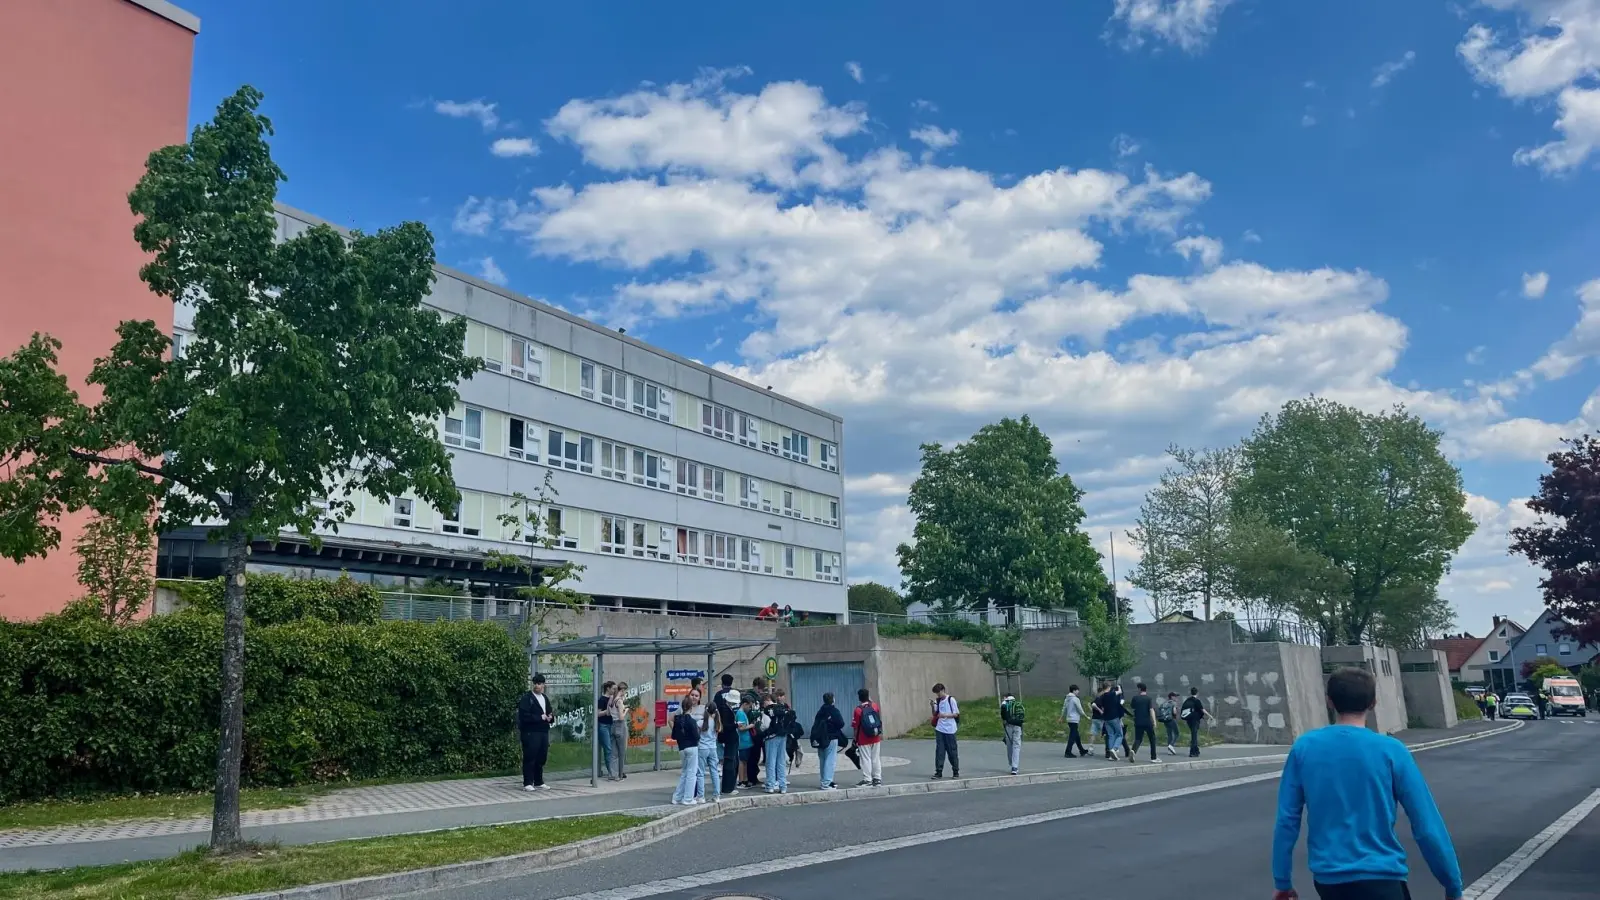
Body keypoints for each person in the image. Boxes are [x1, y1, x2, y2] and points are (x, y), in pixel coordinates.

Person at [1271, 667, 1464, 900]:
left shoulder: (1304, 748)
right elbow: (1426, 824)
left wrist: (1283, 881)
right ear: (1373, 703)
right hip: (1383, 879)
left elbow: (1287, 820)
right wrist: (1452, 884)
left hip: (1330, 882)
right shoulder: (1392, 751)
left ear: (1329, 702)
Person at [517, 674, 554, 791]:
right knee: (530, 756)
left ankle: (538, 781)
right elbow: (524, 716)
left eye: (539, 684)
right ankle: (528, 782)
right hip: (531, 732)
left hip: (543, 731)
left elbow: (549, 712)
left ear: (543, 685)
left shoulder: (544, 698)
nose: (537, 686)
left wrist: (550, 717)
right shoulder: (527, 698)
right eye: (535, 684)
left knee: (541, 756)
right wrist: (540, 717)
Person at [670, 689, 703, 805]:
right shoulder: (691, 721)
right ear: (690, 708)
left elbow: (674, 735)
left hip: (682, 748)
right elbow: (696, 736)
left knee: (684, 772)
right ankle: (688, 798)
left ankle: (677, 797)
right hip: (692, 747)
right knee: (691, 773)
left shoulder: (678, 720)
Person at [812, 691, 847, 789]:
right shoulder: (834, 710)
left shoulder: (820, 711)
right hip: (831, 737)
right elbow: (841, 723)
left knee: (823, 759)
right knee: (830, 760)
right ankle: (827, 782)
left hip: (820, 738)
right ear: (833, 700)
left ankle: (825, 780)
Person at [714, 674, 742, 796]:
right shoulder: (726, 709)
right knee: (730, 761)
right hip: (730, 736)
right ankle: (728, 787)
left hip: (726, 736)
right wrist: (736, 725)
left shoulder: (719, 696)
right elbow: (727, 724)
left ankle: (729, 786)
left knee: (731, 761)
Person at [763, 688, 794, 793]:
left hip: (771, 736)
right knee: (781, 761)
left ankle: (770, 785)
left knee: (771, 761)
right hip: (783, 736)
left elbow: (765, 725)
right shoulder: (783, 708)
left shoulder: (767, 710)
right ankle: (783, 786)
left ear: (767, 700)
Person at [852, 688, 885, 787]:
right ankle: (877, 778)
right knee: (876, 758)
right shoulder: (874, 706)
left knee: (865, 759)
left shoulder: (858, 710)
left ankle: (867, 779)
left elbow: (855, 727)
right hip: (875, 737)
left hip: (864, 738)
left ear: (859, 698)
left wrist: (855, 739)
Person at [694, 688, 721, 802]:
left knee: (700, 773)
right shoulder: (717, 722)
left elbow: (696, 733)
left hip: (702, 748)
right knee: (714, 771)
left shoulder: (701, 722)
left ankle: (701, 796)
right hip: (713, 748)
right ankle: (717, 795)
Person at [930, 683, 961, 779]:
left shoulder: (951, 699)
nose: (938, 695)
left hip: (950, 729)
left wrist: (945, 715)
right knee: (939, 751)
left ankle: (955, 771)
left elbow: (956, 714)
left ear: (943, 690)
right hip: (940, 728)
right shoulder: (938, 701)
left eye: (938, 693)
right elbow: (935, 713)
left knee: (952, 751)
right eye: (936, 693)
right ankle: (938, 772)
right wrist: (932, 706)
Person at [1127, 683, 1158, 763]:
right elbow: (1151, 710)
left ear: (1140, 689)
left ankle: (1133, 751)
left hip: (1138, 721)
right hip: (1147, 722)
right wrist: (1154, 721)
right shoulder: (1148, 699)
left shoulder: (1135, 698)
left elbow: (1132, 708)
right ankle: (1153, 757)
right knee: (1152, 739)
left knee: (1138, 739)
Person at [1095, 682, 1126, 761]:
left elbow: (1102, 708)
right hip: (1114, 717)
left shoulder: (1102, 696)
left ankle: (1111, 755)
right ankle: (1114, 749)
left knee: (1111, 735)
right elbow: (1120, 692)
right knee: (1120, 734)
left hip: (1106, 718)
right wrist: (1119, 686)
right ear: (1108, 687)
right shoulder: (1111, 694)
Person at [1180, 687, 1212, 757]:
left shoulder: (1187, 700)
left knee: (1194, 734)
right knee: (1194, 736)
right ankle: (1192, 752)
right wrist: (1210, 716)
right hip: (1195, 720)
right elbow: (1202, 710)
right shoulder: (1197, 701)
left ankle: (1196, 750)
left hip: (1189, 720)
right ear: (1197, 693)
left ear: (1191, 693)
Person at [596, 681, 617, 778]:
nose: (614, 690)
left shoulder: (613, 699)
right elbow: (597, 714)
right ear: (608, 688)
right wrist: (607, 712)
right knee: (608, 748)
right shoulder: (602, 699)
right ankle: (610, 772)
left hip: (611, 724)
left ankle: (615, 770)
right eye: (613, 688)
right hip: (603, 725)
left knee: (612, 749)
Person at [1000, 692, 1025, 775]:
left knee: (1009, 745)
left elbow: (1003, 716)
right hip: (1017, 726)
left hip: (1008, 726)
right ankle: (1015, 767)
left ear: (1006, 697)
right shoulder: (1018, 704)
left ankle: (1012, 764)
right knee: (1016, 746)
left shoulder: (1005, 703)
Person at [610, 681, 631, 780]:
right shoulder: (619, 701)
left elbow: (611, 712)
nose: (625, 693)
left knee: (614, 753)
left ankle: (613, 774)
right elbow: (622, 717)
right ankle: (620, 775)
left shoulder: (612, 699)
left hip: (613, 725)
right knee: (622, 752)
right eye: (624, 691)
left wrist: (623, 707)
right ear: (622, 690)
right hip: (620, 726)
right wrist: (626, 710)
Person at [1062, 685, 1088, 758]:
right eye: (1077, 690)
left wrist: (1061, 717)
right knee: (1072, 736)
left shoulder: (1067, 698)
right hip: (1074, 719)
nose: (1078, 692)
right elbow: (1080, 709)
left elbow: (1064, 708)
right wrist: (1086, 716)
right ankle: (1068, 752)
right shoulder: (1075, 699)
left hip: (1069, 719)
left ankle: (1081, 750)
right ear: (1074, 690)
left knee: (1076, 735)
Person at [1159, 691, 1181, 756]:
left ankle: (1169, 750)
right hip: (1171, 719)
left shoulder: (1165, 703)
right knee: (1177, 733)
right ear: (1171, 697)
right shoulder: (1174, 703)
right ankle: (1171, 745)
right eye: (1175, 696)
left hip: (1165, 720)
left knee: (1169, 734)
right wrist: (1177, 712)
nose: (1176, 697)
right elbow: (1174, 712)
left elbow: (1160, 709)